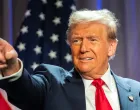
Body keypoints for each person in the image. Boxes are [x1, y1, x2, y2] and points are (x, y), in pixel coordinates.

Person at [0, 9, 140, 110]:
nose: (83, 48)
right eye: (77, 40)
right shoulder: (52, 83)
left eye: (92, 40)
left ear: (111, 47)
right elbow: (26, 92)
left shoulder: (136, 91)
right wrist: (11, 68)